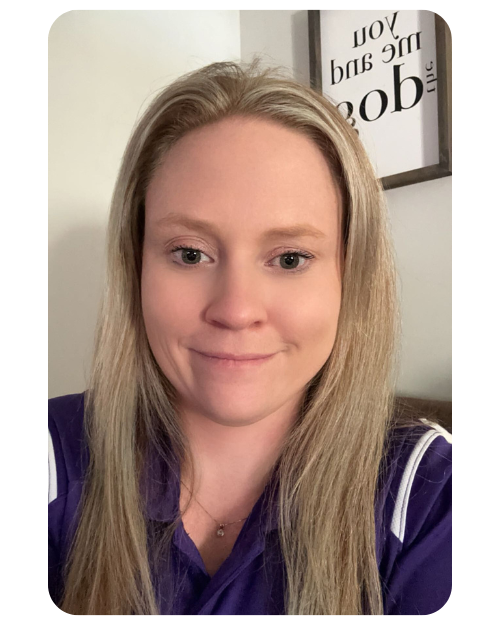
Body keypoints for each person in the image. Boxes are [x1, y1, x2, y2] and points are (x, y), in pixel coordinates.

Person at [48, 59, 451, 615]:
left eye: (290, 258)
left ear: (350, 277)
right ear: (134, 265)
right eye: (190, 254)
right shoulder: (47, 457)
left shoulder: (432, 495)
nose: (236, 311)